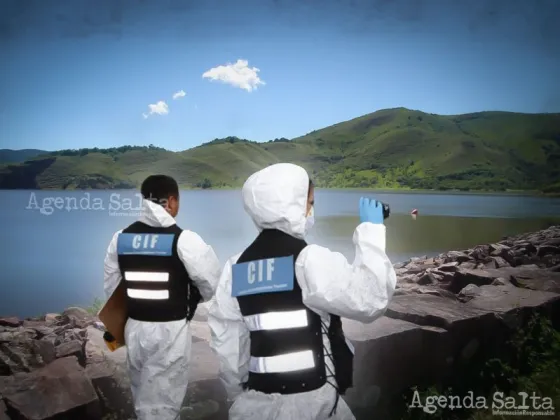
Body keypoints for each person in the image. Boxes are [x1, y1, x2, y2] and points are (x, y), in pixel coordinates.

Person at [208, 163, 397, 420]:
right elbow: (371, 300)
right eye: (310, 202)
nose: (311, 210)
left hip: (255, 407)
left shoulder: (235, 268)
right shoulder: (309, 261)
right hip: (315, 405)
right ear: (295, 206)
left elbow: (228, 345)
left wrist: (238, 395)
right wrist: (371, 231)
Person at [103, 175, 221, 420]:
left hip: (134, 327)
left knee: (142, 391)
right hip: (170, 330)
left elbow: (112, 288)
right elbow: (211, 283)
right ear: (171, 201)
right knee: (163, 401)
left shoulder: (120, 238)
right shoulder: (184, 239)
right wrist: (191, 301)